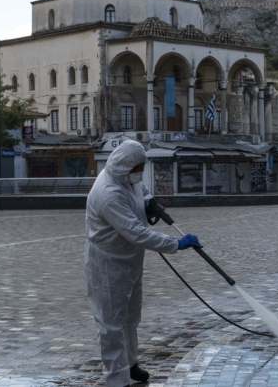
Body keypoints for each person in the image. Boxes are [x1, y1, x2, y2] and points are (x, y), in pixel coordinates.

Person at [84, 140, 202, 387]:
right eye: (138, 167)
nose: (140, 171)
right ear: (125, 166)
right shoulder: (108, 193)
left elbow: (140, 190)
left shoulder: (127, 178)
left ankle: (131, 364)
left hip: (130, 260)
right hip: (108, 265)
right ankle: (117, 379)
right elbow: (137, 232)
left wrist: (150, 202)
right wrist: (175, 244)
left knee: (130, 316)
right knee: (111, 323)